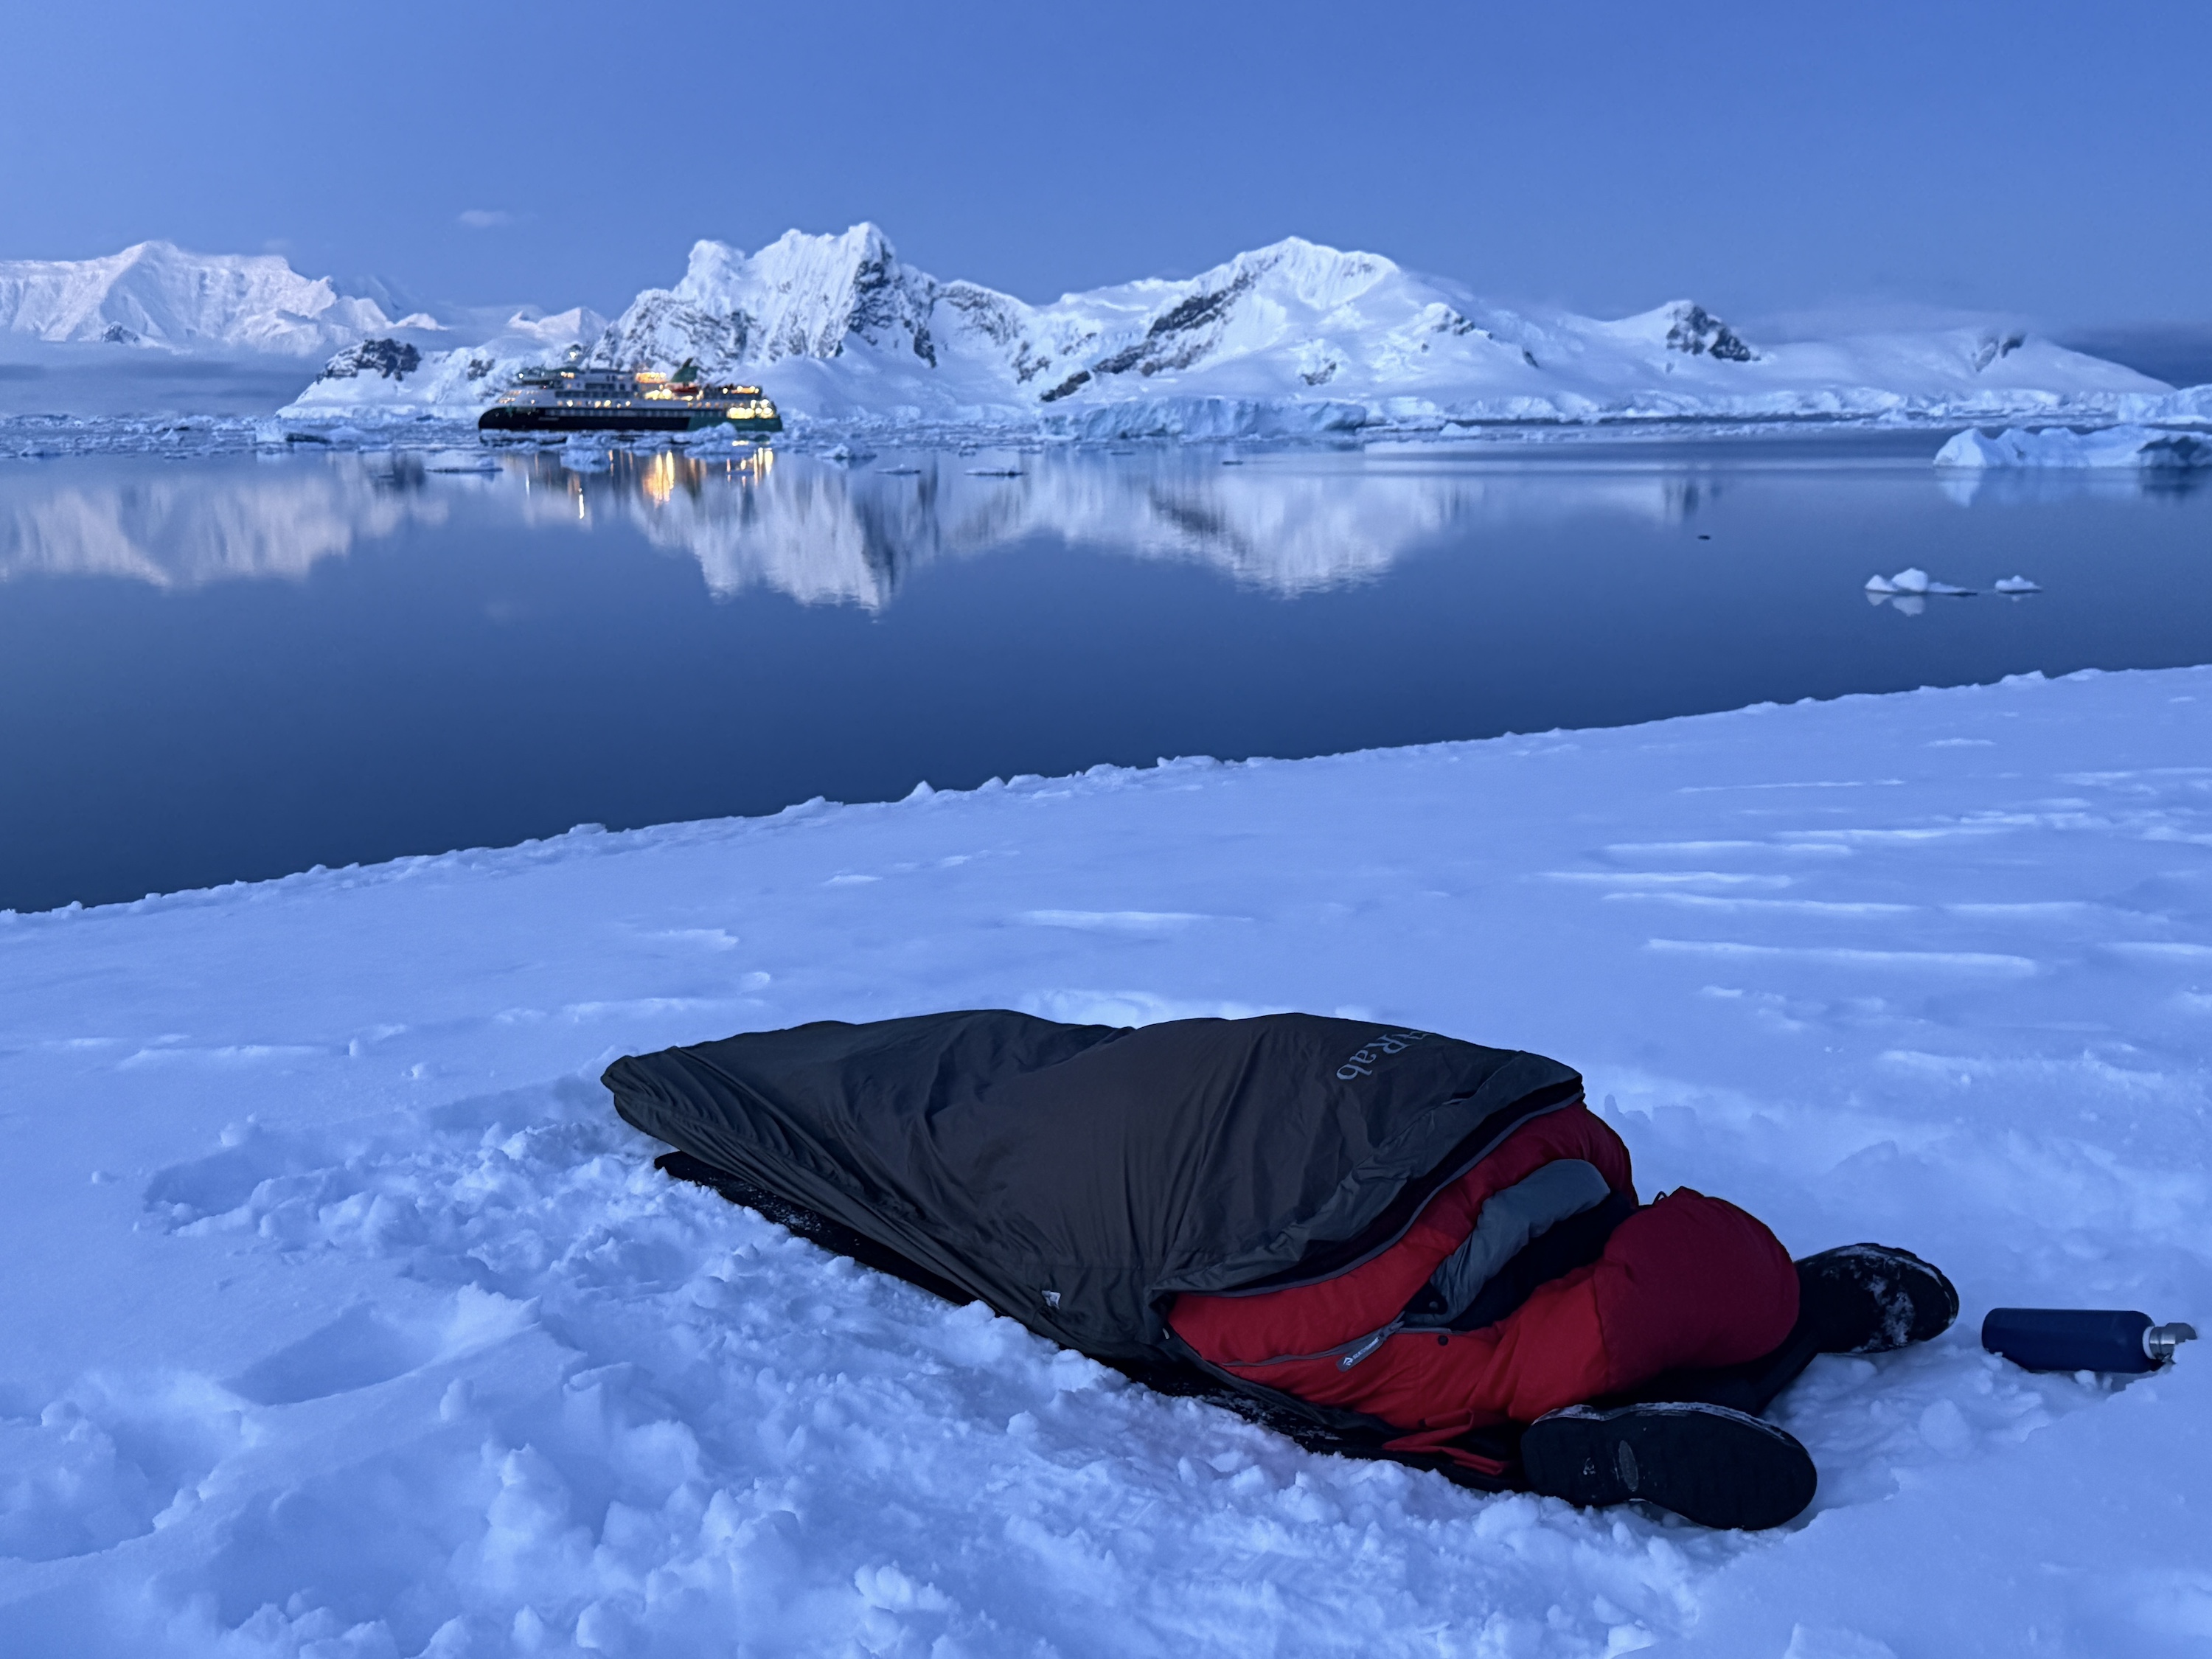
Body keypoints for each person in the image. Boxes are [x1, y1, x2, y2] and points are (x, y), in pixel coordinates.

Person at [608, 1009, 1959, 1531]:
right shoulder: (1592, 1170)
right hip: (1505, 1127)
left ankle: (1582, 1454)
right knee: (1007, 1098)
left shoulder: (1418, 1324)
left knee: (1340, 1381)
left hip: (1329, 1213)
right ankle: (1780, 1309)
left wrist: (1538, 1457)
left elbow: (1348, 1398)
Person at [1167, 1095, 1957, 1528]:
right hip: (1540, 1149)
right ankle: (1782, 1313)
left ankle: (1563, 1443)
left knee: (1494, 1366)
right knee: (1597, 1307)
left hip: (1418, 1275)